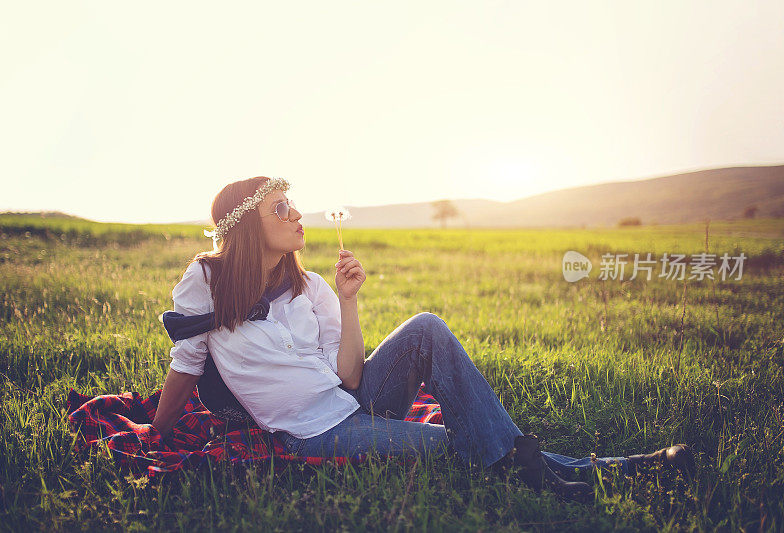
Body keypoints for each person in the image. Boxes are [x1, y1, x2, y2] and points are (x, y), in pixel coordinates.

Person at [152, 176, 694, 502]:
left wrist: (347, 300)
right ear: (247, 227)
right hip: (310, 433)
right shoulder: (207, 283)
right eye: (280, 209)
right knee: (463, 445)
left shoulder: (310, 285)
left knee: (428, 328)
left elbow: (349, 378)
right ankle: (617, 472)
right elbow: (187, 362)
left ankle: (560, 468)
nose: (296, 215)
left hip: (351, 401)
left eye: (293, 204)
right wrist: (159, 433)